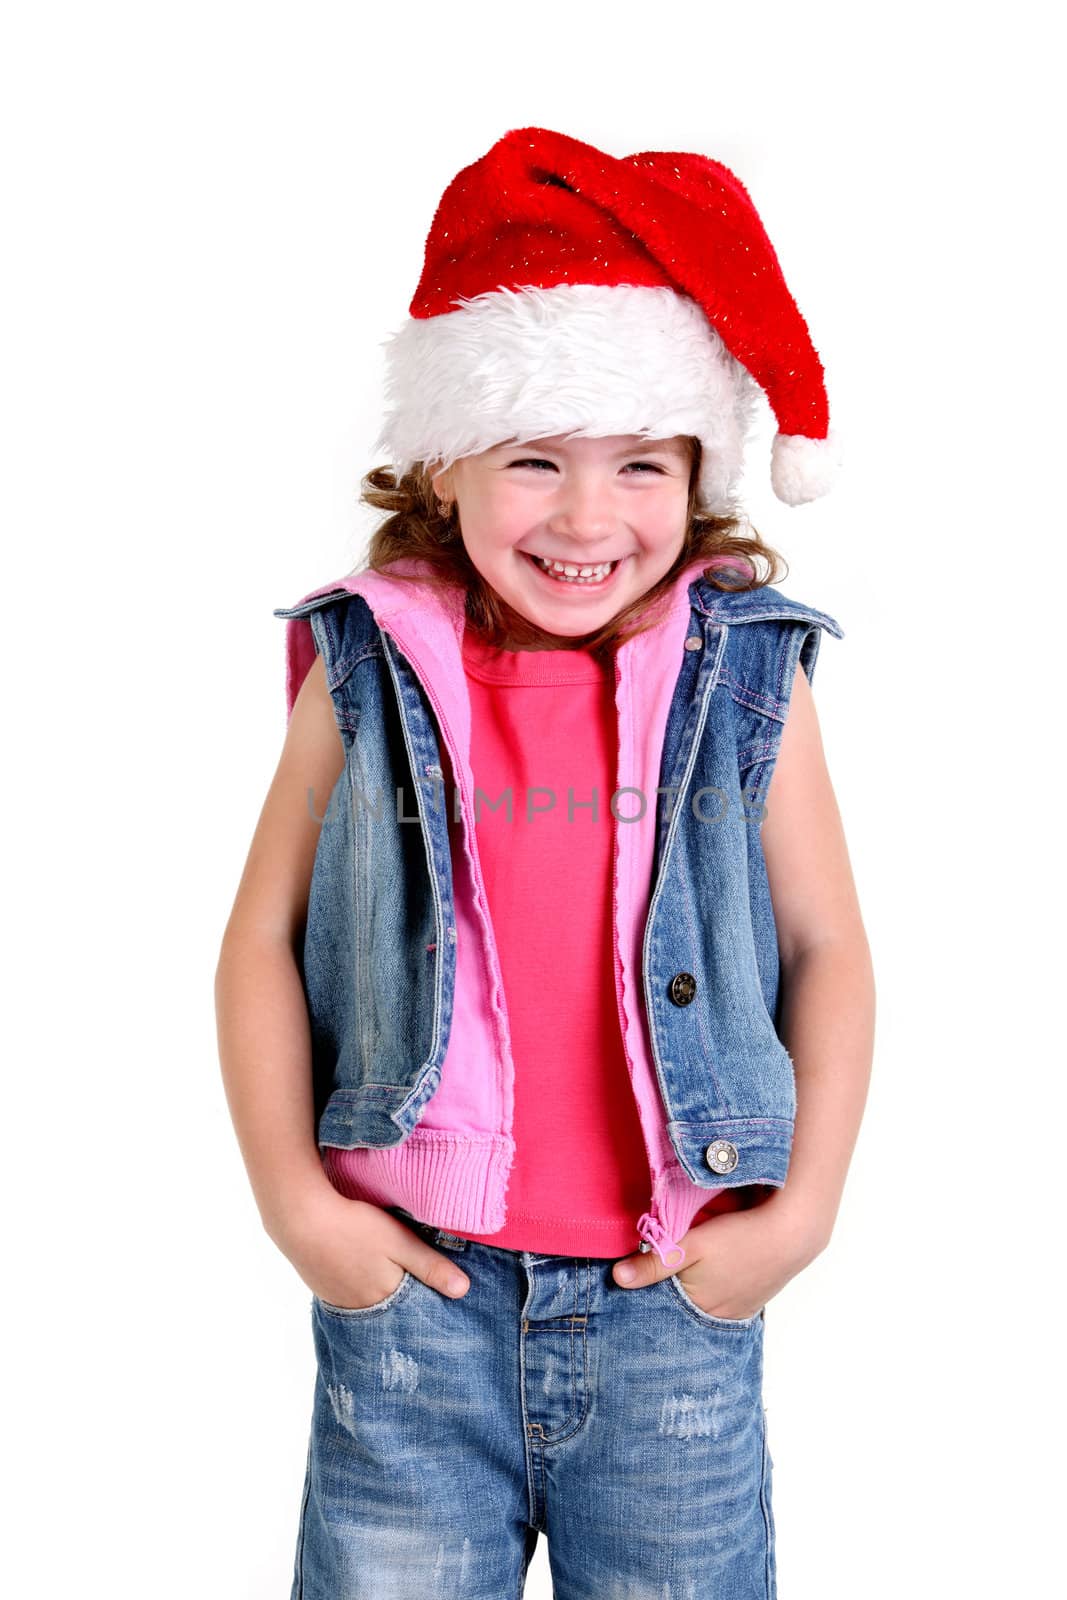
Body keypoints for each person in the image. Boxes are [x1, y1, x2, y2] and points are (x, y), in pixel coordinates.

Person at [215, 125, 875, 1599]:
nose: (589, 518)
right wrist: (297, 1206)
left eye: (640, 463)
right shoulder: (365, 663)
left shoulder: (747, 676)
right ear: (443, 467)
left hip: (674, 1306)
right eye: (533, 459)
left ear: (697, 469)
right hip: (417, 1303)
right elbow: (260, 937)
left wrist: (805, 1213)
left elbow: (828, 946)